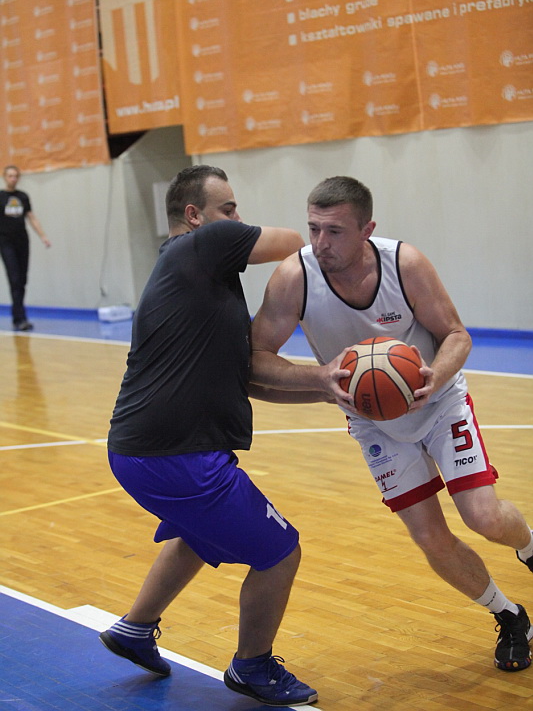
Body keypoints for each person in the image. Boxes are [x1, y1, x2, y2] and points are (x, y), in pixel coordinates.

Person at [250, 175, 533, 673]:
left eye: (334, 231)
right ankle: (510, 616)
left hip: (439, 404)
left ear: (367, 229)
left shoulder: (405, 264)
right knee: (430, 539)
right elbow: (255, 359)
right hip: (374, 424)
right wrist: (320, 378)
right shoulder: (294, 277)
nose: (320, 242)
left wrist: (434, 375)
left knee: (484, 518)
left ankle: (529, 548)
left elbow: (457, 335)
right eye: (313, 228)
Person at [99, 165, 344, 707]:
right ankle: (251, 665)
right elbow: (292, 241)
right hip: (174, 455)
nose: (237, 218)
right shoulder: (202, 246)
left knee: (195, 536)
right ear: (194, 215)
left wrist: (324, 389)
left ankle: (135, 628)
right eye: (228, 209)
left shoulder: (198, 280)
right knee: (280, 551)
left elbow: (247, 381)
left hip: (148, 451)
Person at [0, 165, 51, 331]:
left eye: (15, 176)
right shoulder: (1, 196)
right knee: (14, 279)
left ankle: (19, 315)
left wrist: (43, 236)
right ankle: (19, 318)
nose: (13, 179)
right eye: (10, 176)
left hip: (22, 241)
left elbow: (31, 217)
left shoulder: (22, 196)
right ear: (4, 177)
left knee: (22, 280)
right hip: (5, 242)